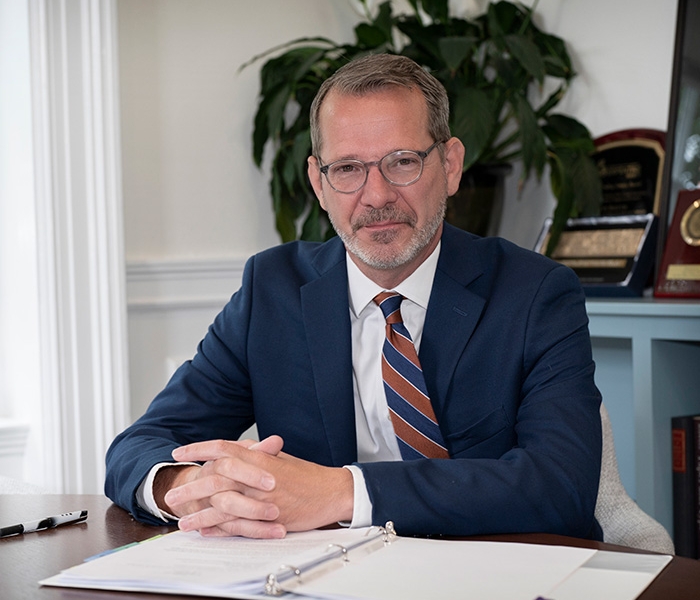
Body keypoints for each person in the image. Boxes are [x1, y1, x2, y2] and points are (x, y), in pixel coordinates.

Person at [105, 53, 603, 541]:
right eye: (347, 169)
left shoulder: (535, 293)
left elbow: (562, 486)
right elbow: (139, 447)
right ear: (318, 184)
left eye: (402, 162)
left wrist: (343, 492)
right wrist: (191, 485)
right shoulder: (271, 291)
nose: (377, 195)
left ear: (450, 165)